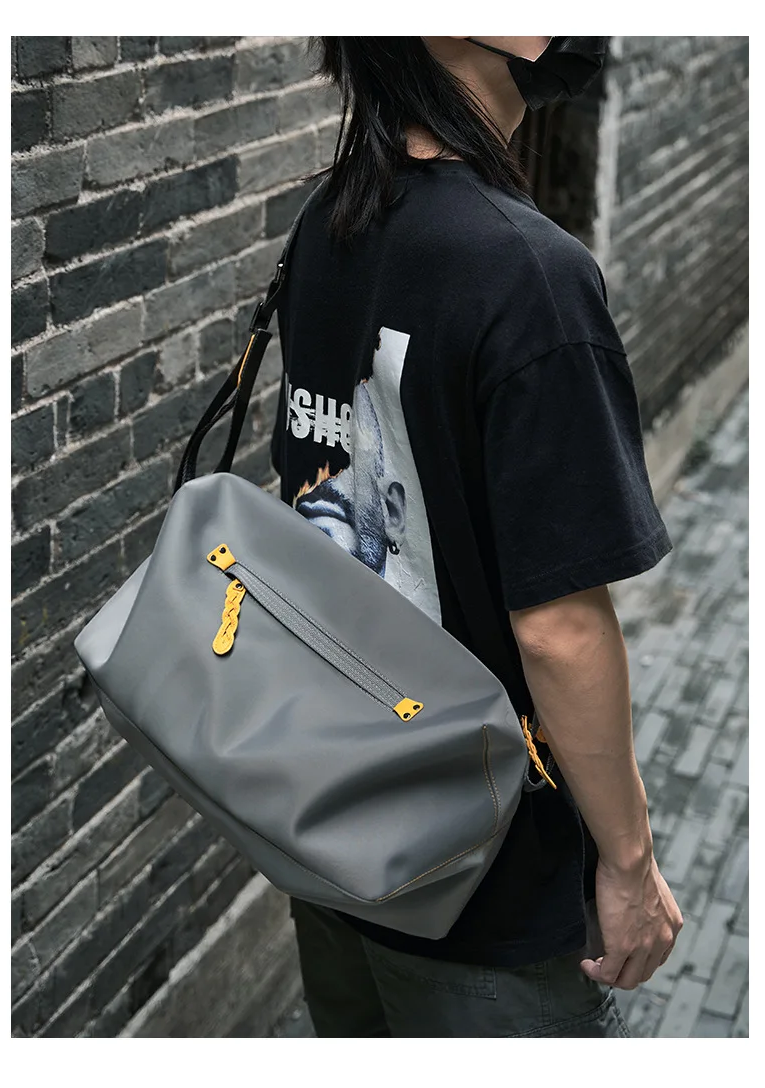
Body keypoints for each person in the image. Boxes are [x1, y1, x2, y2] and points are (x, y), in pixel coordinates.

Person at [269, 35, 683, 1039]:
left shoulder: (328, 219)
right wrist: (629, 863)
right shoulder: (530, 273)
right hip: (482, 890)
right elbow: (561, 631)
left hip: (332, 824)